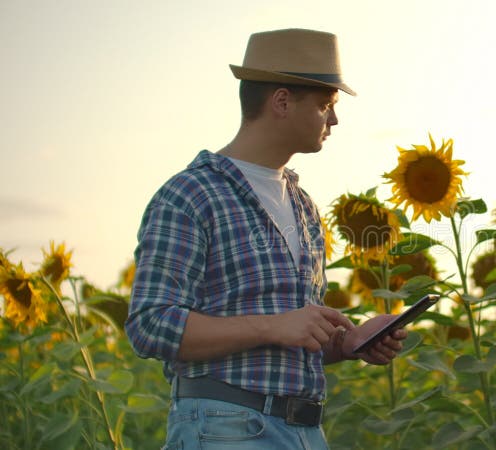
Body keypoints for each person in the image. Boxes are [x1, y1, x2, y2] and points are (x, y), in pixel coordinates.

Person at [125, 28, 407, 450]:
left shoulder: (303, 205)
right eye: (326, 105)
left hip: (305, 431)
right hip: (224, 427)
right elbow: (150, 324)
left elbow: (285, 342)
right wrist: (274, 326)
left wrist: (348, 343)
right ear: (281, 101)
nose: (334, 120)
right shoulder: (190, 195)